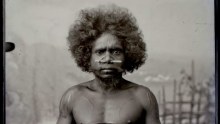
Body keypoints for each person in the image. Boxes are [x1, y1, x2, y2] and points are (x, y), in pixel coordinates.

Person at [57, 4, 161, 124]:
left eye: (116, 51)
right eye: (100, 52)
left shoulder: (143, 97)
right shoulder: (72, 97)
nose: (107, 59)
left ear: (127, 55)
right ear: (87, 56)